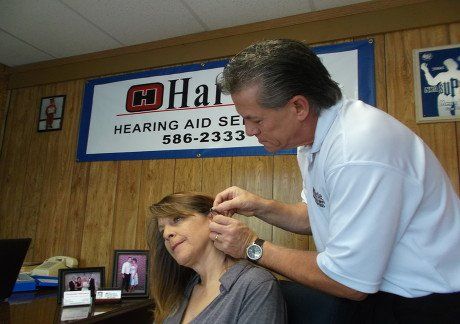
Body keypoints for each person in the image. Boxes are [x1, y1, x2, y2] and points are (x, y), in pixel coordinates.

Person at [210, 39, 460, 322]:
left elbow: (348, 281)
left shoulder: (357, 149)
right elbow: (315, 215)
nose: (249, 130)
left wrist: (250, 246)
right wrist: (259, 206)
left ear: (298, 107)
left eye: (255, 120)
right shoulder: (313, 141)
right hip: (374, 291)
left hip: (428, 302)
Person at [148, 192, 286, 324]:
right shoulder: (179, 290)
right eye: (162, 231)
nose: (166, 234)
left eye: (177, 219)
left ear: (212, 217)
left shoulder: (255, 285)